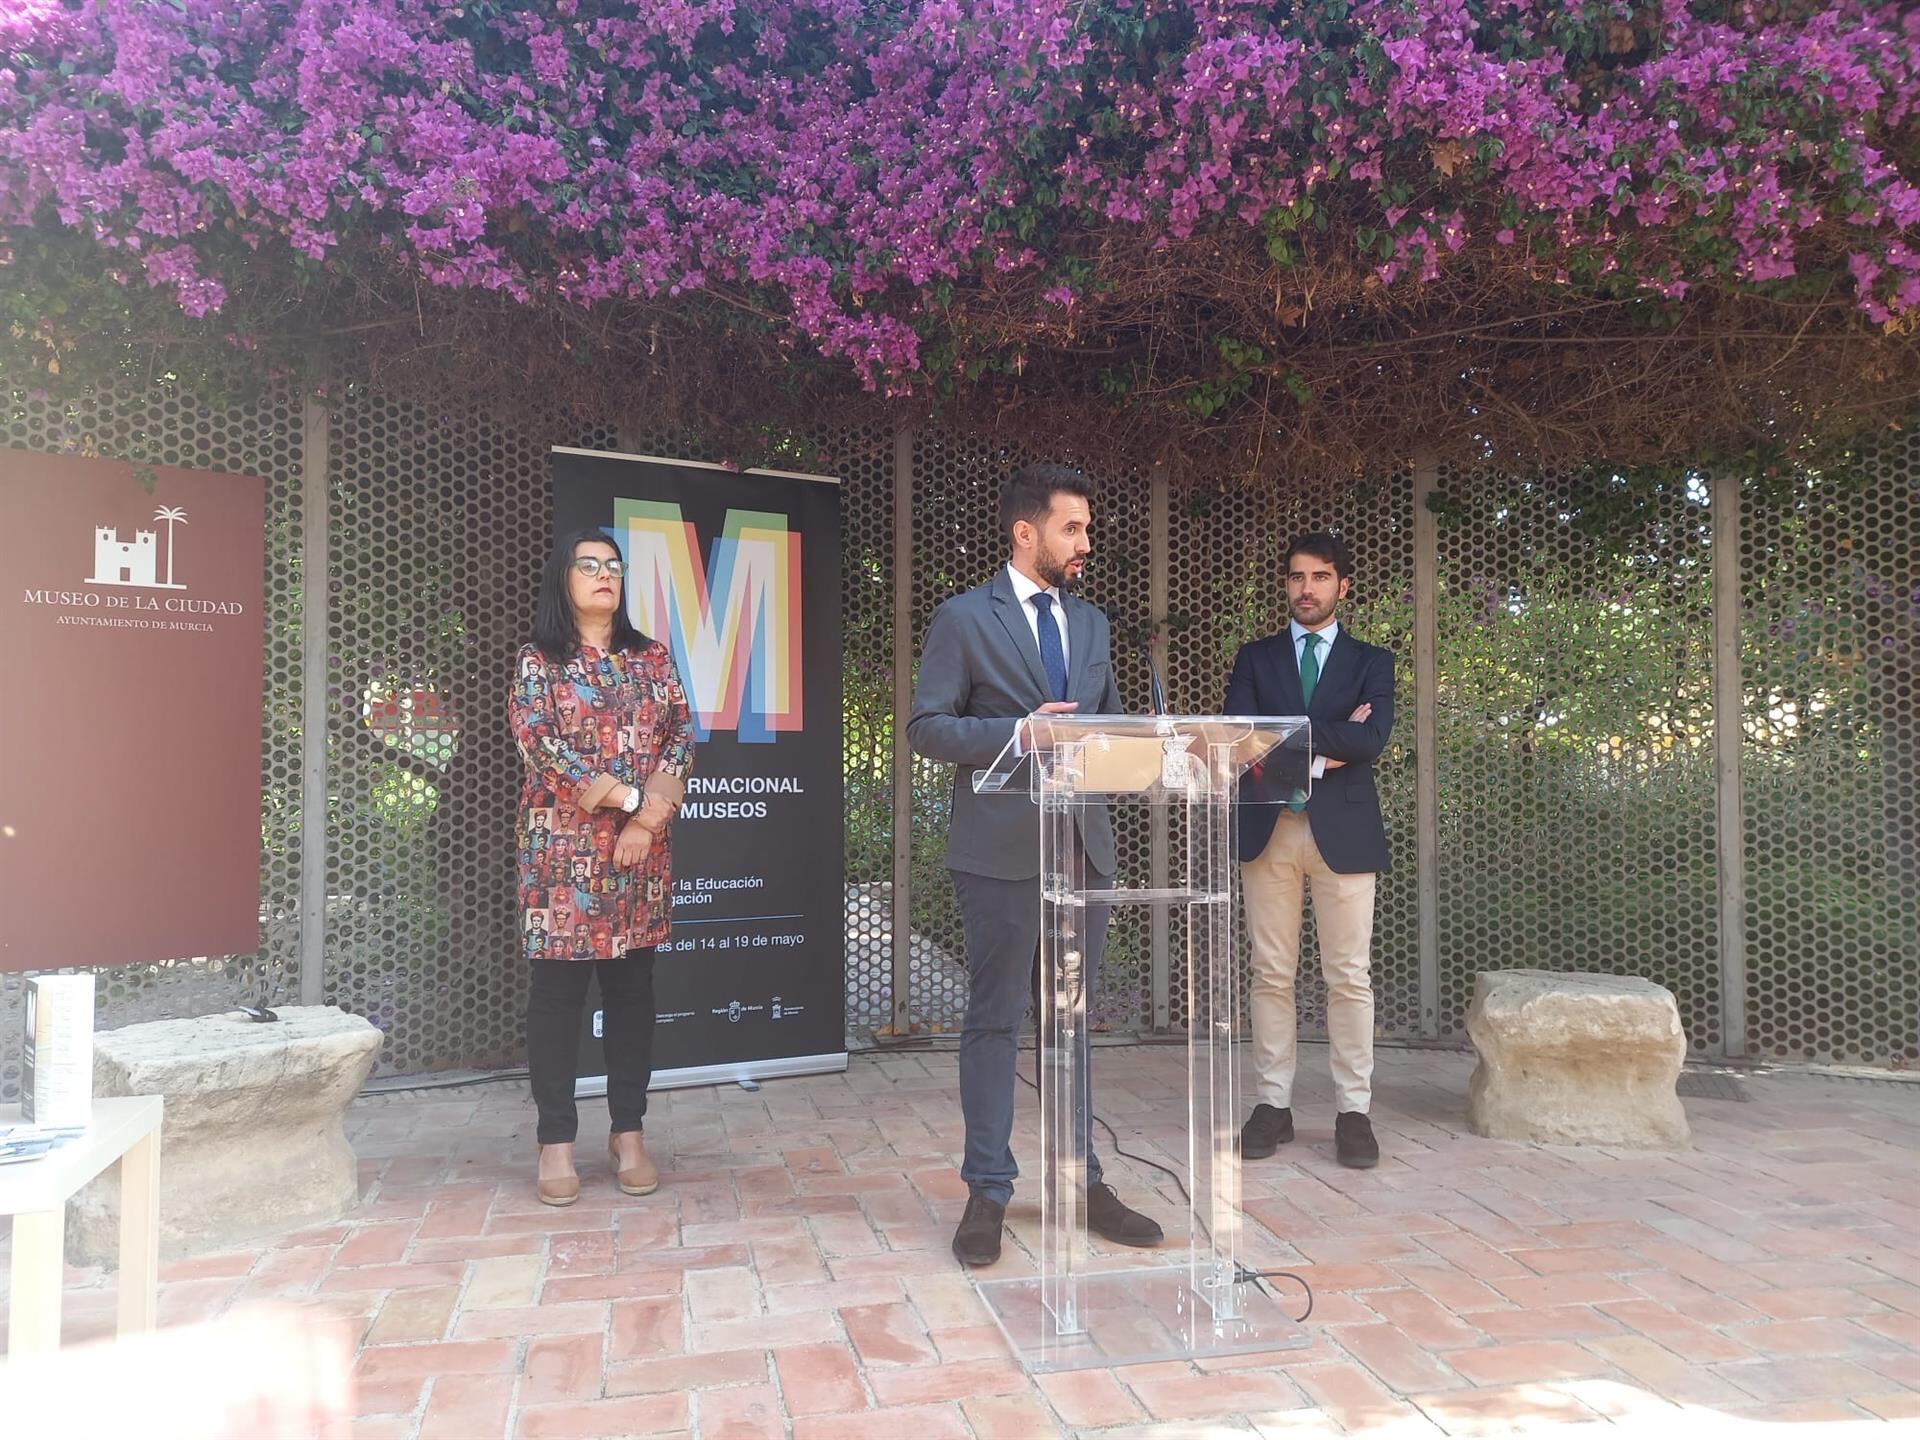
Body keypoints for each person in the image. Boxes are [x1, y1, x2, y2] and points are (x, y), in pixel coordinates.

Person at [908, 464, 1164, 1266]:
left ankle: (1080, 1182)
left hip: (1082, 847)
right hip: (999, 850)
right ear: (1026, 532)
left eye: (1087, 527)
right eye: (1072, 528)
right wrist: (1019, 733)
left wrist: (1151, 742)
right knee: (996, 1020)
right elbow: (927, 727)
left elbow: (1109, 725)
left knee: (1072, 1019)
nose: (1085, 541)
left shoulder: (1091, 624)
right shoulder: (963, 618)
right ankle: (988, 1190)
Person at [509, 528, 695, 1206]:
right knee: (557, 1000)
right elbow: (542, 747)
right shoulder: (540, 661)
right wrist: (628, 799)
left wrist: (646, 821)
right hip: (561, 858)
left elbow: (680, 734)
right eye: (588, 565)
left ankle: (629, 1133)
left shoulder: (651, 658)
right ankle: (556, 1141)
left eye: (612, 565)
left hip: (638, 856)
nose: (603, 574)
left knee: (632, 994)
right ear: (564, 579)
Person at [1225, 532, 1396, 1169]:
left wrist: (1295, 740)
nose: (1306, 589)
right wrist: (1329, 742)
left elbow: (1373, 738)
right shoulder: (1256, 658)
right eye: (1297, 577)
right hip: (1268, 827)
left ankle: (1354, 1111)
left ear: (1341, 586)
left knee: (1348, 977)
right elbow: (1243, 737)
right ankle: (1273, 1105)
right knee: (1271, 973)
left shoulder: (1371, 660)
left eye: (1320, 577)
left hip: (1343, 835)